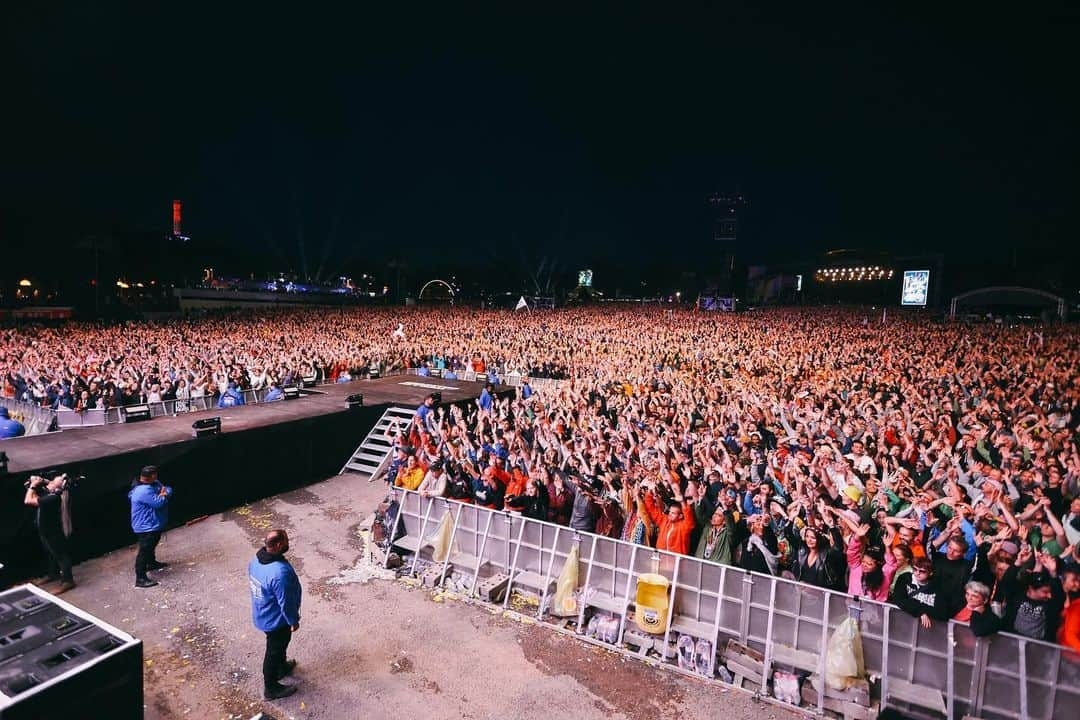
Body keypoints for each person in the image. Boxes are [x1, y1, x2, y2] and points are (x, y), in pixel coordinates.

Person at [248, 529, 302, 700]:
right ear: (279, 545)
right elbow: (285, 603)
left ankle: (281, 668)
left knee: (281, 644)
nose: (289, 542)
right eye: (287, 540)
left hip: (263, 613)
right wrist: (293, 621)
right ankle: (271, 688)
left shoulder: (256, 561)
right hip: (276, 620)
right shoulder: (279, 573)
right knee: (274, 650)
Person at [24, 474, 75, 593]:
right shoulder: (52, 494)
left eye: (52, 483)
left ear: (57, 488)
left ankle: (68, 581)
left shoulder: (53, 498)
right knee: (50, 553)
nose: (49, 483)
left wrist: (32, 486)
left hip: (52, 531)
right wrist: (39, 481)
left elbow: (28, 500)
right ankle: (52, 574)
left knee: (61, 555)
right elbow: (40, 494)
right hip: (45, 529)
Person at [128, 465, 172, 588]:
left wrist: (164, 493)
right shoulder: (143, 490)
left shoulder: (154, 483)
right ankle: (140, 578)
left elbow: (167, 489)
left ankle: (151, 563)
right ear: (152, 476)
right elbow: (158, 503)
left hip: (152, 524)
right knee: (144, 550)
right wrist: (163, 495)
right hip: (146, 526)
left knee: (152, 543)